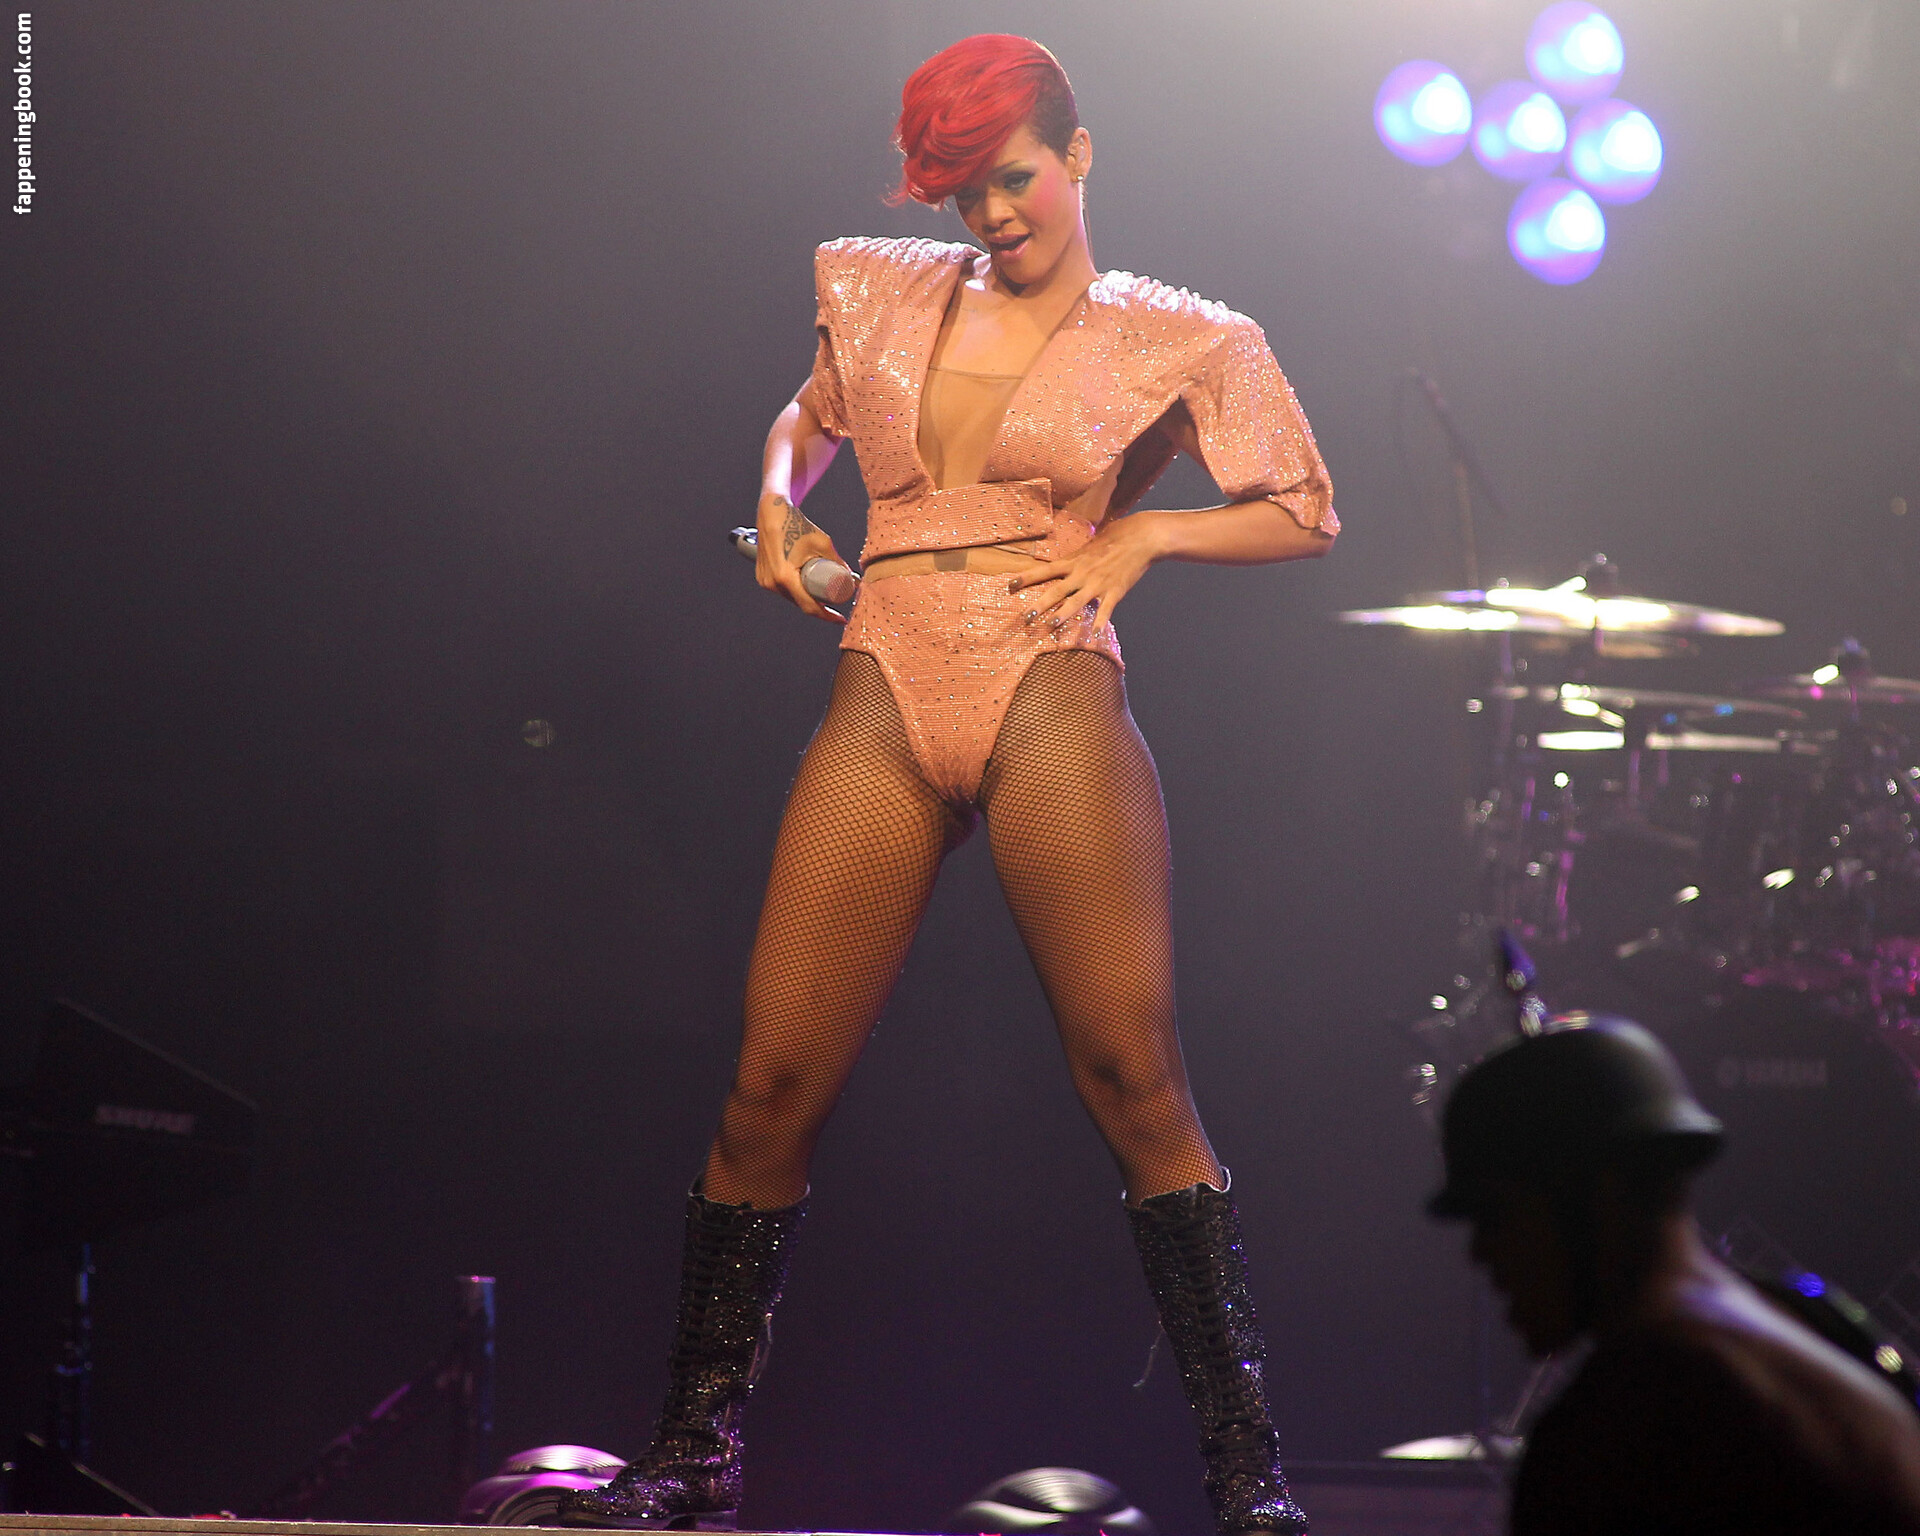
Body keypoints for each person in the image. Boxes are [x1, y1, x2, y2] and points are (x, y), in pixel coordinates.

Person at [560, 34, 1335, 1533]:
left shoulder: (1183, 335)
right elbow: (810, 416)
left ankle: (1251, 1476)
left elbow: (1302, 506)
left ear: (1079, 154)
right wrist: (779, 506)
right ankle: (694, 1453)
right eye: (963, 193)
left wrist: (1145, 535)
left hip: (1047, 676)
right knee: (770, 1085)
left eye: (1016, 178)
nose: (993, 214)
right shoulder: (885, 288)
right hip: (888, 675)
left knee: (1133, 1077)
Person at [1428, 1015, 1920, 1536]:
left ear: (1603, 1194)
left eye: (1498, 1216)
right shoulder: (1805, 1322)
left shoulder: (1632, 1424)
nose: (1481, 1254)